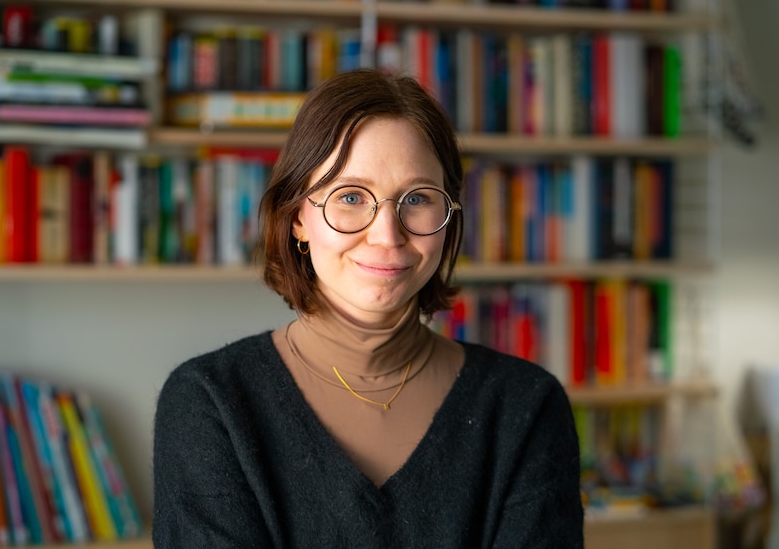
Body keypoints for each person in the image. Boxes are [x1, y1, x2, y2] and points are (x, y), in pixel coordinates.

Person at [152, 68, 584, 548]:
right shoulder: (209, 404)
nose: (387, 235)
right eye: (352, 196)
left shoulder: (526, 408)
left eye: (418, 198)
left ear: (449, 219)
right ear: (297, 217)